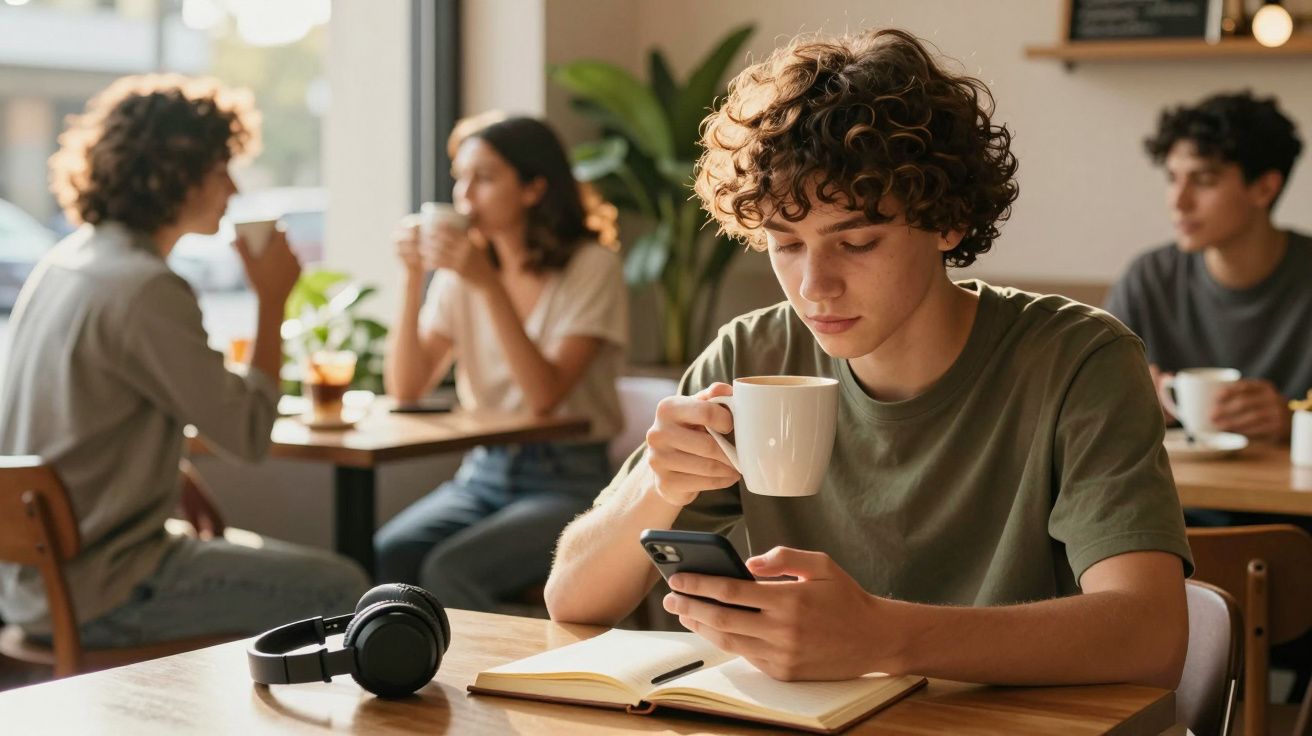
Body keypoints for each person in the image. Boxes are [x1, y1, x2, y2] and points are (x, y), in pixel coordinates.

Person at [545, 29, 1193, 689]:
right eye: (786, 244)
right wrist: (659, 488)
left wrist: (884, 638)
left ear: (948, 221)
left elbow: (1151, 634)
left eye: (856, 242)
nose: (813, 287)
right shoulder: (752, 355)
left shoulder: (1078, 359)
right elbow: (571, 599)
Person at [0, 74, 369, 648]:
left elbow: (82, 414)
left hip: (32, 587)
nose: (234, 189)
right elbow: (248, 435)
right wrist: (272, 300)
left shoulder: (70, 261)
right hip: (105, 588)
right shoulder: (146, 287)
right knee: (343, 588)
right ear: (174, 173)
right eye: (221, 168)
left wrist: (173, 473)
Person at [375, 114, 627, 613]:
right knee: (394, 549)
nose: (465, 196)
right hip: (484, 472)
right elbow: (406, 388)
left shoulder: (591, 267)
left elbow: (544, 395)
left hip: (568, 478)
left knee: (451, 570)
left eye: (484, 179)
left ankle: (505, 664)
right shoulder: (462, 276)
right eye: (460, 179)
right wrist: (411, 277)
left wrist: (487, 284)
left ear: (534, 188)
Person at [1105, 91, 1307, 442]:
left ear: (1264, 188)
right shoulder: (1149, 279)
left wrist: (1295, 423)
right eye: (1173, 178)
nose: (1178, 201)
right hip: (1173, 477)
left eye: (1203, 181)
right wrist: (1125, 404)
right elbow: (1083, 409)